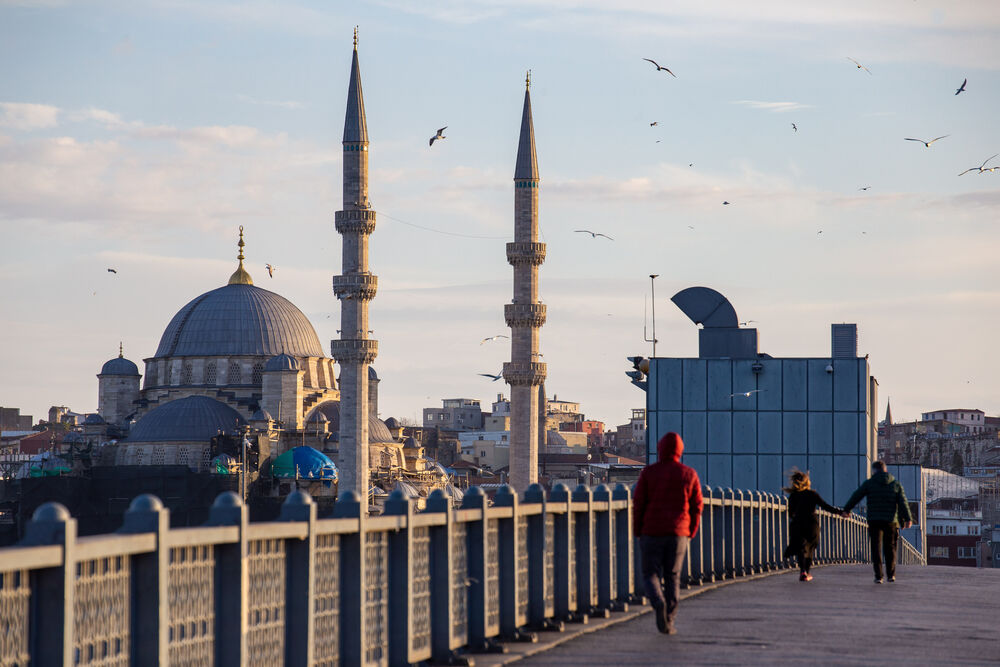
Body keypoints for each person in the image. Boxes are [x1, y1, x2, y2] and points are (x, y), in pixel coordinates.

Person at [633, 432, 703, 635]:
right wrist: (691, 531)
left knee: (650, 574)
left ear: (660, 449)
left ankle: (657, 601)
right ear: (680, 450)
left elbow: (639, 504)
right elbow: (697, 506)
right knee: (673, 576)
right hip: (677, 534)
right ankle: (669, 619)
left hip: (651, 532)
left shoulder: (648, 473)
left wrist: (638, 530)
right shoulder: (688, 474)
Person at [841, 460, 913, 584]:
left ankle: (878, 576)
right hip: (891, 521)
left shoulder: (870, 483)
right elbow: (903, 503)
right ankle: (891, 575)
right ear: (885, 470)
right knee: (890, 548)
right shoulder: (895, 484)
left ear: (874, 471)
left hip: (874, 520)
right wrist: (908, 519)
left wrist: (847, 509)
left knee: (876, 548)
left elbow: (856, 496)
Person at [782, 469, 841, 582]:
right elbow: (825, 506)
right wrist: (840, 512)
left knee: (801, 548)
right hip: (811, 524)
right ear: (807, 482)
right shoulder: (812, 494)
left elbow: (790, 513)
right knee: (810, 548)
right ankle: (807, 572)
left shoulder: (793, 496)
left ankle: (802, 571)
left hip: (798, 524)